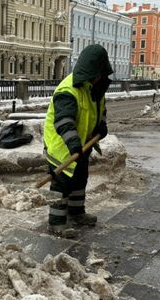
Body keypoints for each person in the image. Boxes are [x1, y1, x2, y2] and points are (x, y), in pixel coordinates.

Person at [43, 44, 112, 237]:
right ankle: (56, 222)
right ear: (93, 70)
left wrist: (102, 126)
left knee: (80, 179)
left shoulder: (96, 87)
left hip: (81, 145)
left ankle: (76, 212)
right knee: (61, 185)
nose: (101, 76)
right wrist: (73, 144)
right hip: (61, 146)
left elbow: (100, 111)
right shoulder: (68, 91)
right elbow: (64, 121)